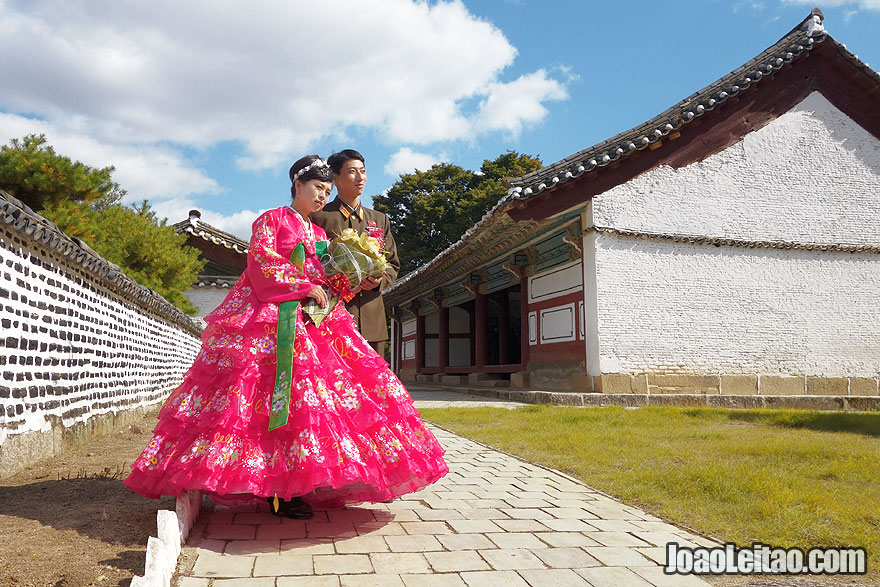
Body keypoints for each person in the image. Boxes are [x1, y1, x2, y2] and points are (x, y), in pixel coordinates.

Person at [123, 155, 448, 519]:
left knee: (318, 403)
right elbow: (261, 262)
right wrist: (303, 285)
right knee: (266, 401)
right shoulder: (271, 219)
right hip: (272, 320)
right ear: (297, 185)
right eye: (317, 188)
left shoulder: (321, 233)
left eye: (327, 191)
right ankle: (278, 490)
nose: (323, 196)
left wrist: (345, 280)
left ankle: (318, 480)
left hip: (316, 321)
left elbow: (324, 276)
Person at [311, 149, 399, 356]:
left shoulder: (379, 219)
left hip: (372, 319)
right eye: (352, 171)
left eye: (363, 171)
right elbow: (310, 263)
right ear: (335, 177)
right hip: (331, 314)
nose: (360, 177)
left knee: (373, 385)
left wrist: (379, 282)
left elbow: (393, 264)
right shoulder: (319, 217)